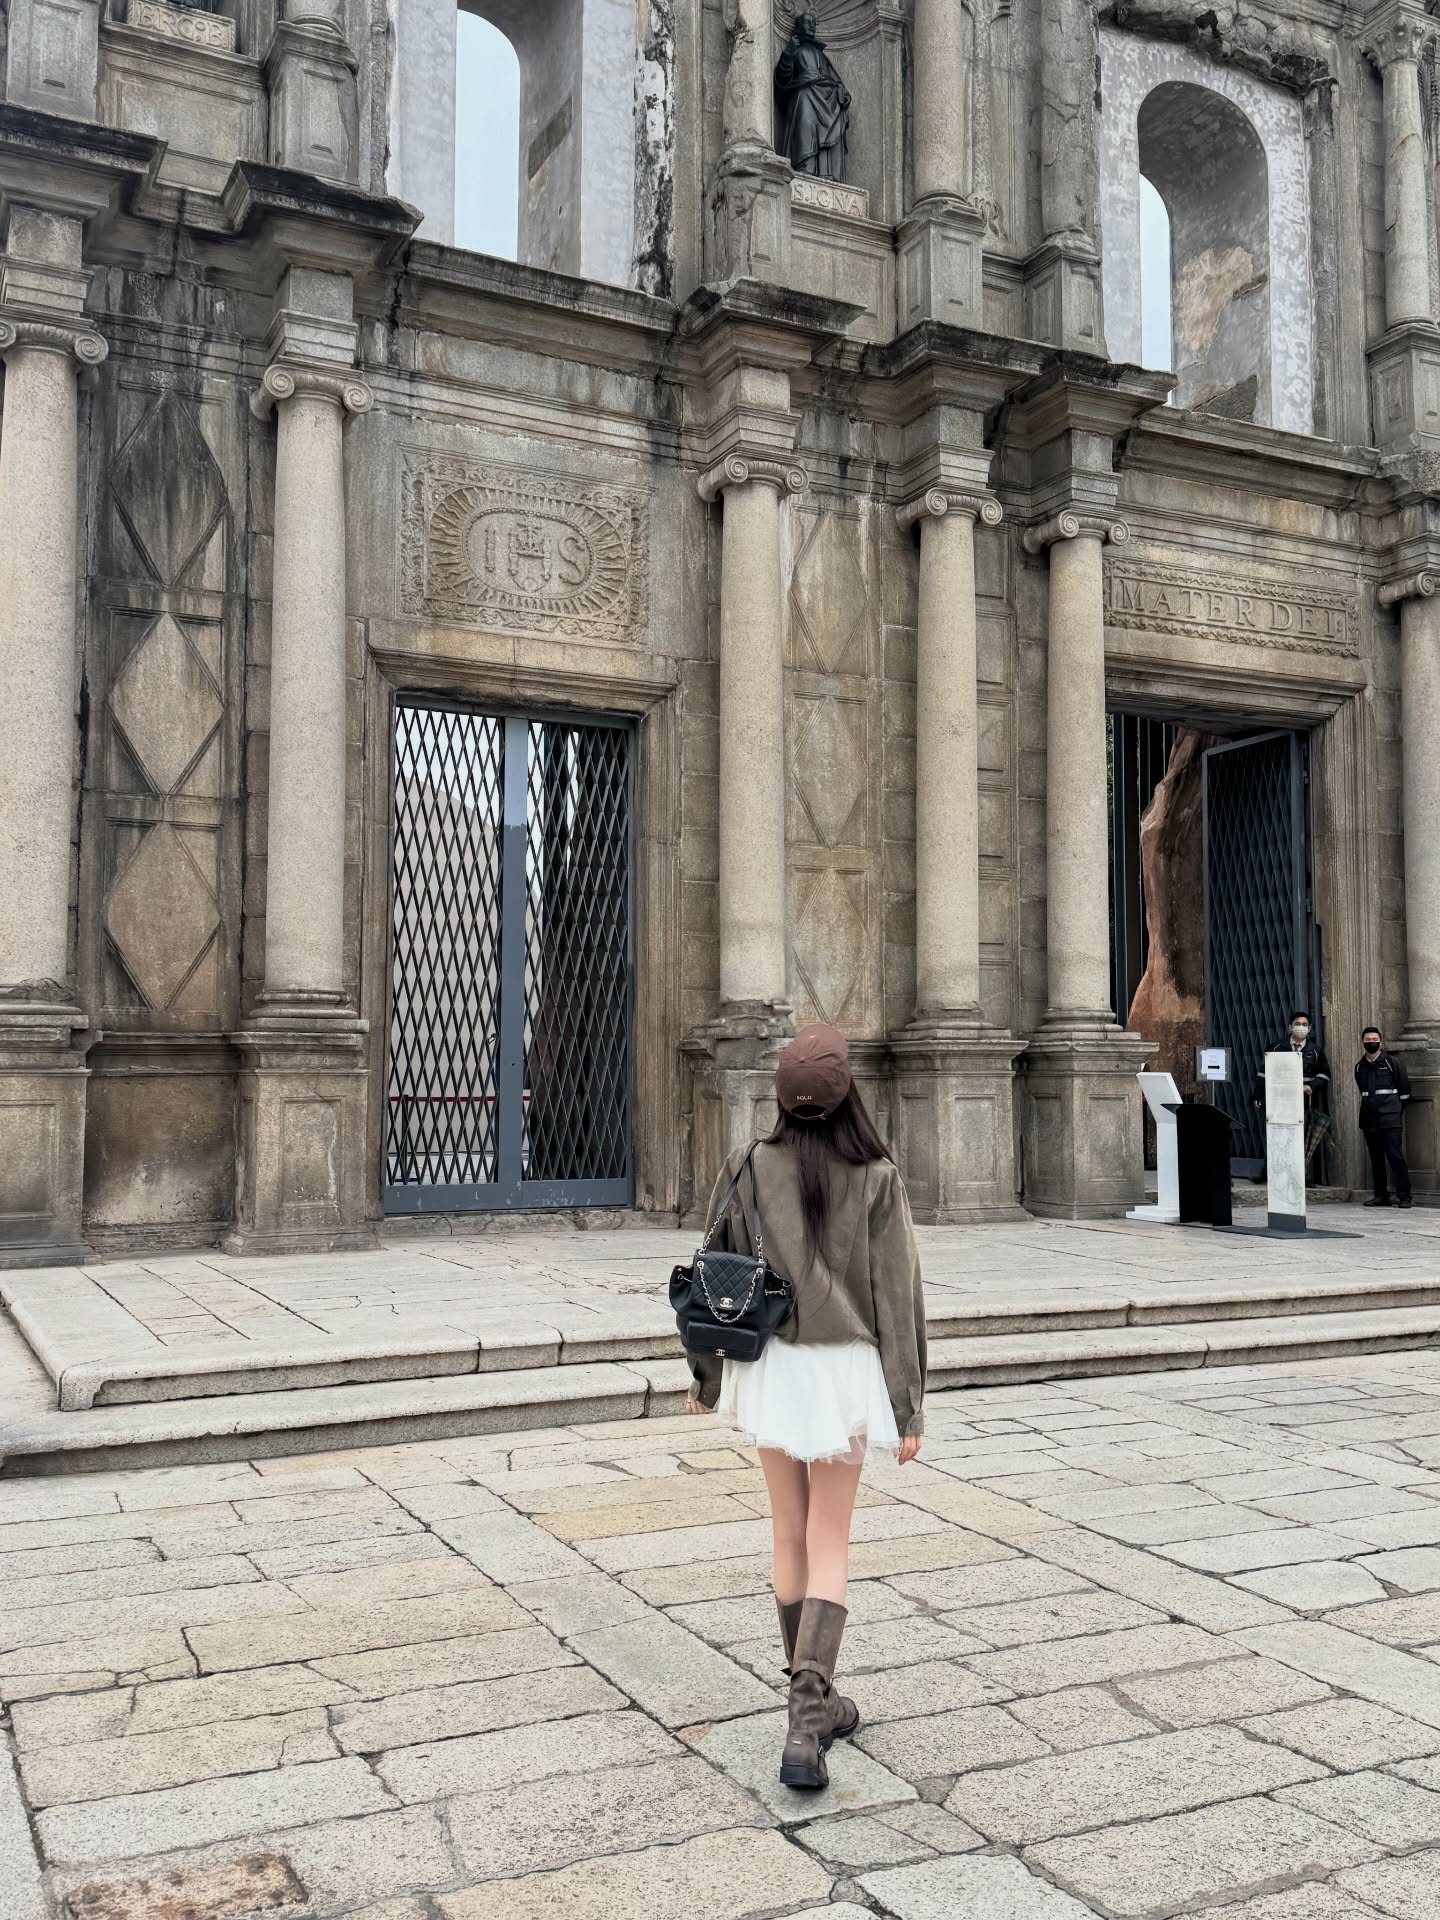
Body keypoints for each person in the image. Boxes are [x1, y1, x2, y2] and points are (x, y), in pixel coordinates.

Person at [684, 1023, 925, 1793]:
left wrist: (706, 1378)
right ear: (848, 1094)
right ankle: (809, 1713)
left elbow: (713, 1279)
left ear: (782, 1098)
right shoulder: (877, 1175)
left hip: (772, 1367)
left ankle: (809, 1706)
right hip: (844, 1370)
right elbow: (898, 1296)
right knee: (830, 1538)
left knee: (789, 1531)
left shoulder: (750, 1163)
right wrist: (908, 1407)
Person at [1252, 1010, 1332, 1181]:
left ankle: (1301, 1177)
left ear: (1309, 1028)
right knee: (1277, 1137)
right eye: (1297, 1024)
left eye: (1304, 1025)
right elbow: (1263, 1073)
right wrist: (1257, 1097)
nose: (1301, 1027)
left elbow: (1324, 1075)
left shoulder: (1315, 1051)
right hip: (1279, 1100)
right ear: (1290, 1027)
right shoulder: (1276, 1047)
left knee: (1300, 1138)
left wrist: (1311, 1086)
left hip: (1302, 1102)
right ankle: (1269, 1174)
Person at [774, 14, 851, 180]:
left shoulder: (822, 55)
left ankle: (827, 171)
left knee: (837, 107)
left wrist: (842, 91)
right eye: (807, 23)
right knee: (803, 98)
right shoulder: (795, 51)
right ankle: (806, 165)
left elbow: (834, 78)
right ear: (798, 27)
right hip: (805, 92)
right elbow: (782, 77)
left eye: (813, 23)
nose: (811, 26)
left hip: (827, 94)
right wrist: (788, 53)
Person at [1355, 1026, 1412, 1209]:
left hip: (1390, 1119)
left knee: (1395, 1157)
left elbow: (1405, 1093)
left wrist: (1393, 1112)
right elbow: (1363, 1092)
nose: (1371, 1042)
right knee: (1376, 1159)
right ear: (1362, 1042)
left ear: (1381, 1042)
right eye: (1368, 1040)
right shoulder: (1359, 1066)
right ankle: (1381, 1195)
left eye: (1374, 1039)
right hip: (1369, 1120)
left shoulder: (1392, 1063)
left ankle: (1404, 1196)